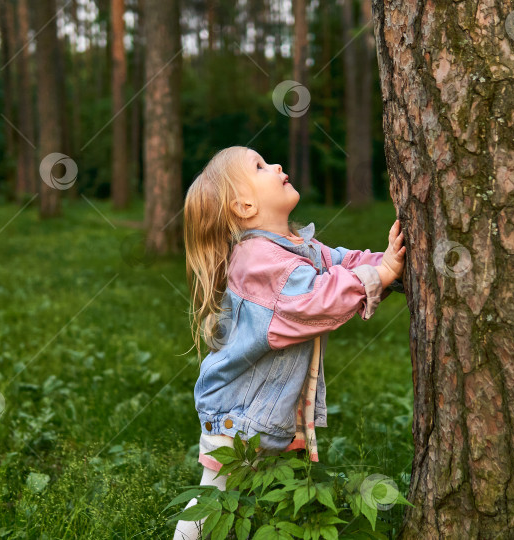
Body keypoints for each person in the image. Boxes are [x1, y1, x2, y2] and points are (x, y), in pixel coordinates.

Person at [172, 146, 406, 539]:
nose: (277, 165)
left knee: (260, 498)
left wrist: (390, 264)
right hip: (239, 415)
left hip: (267, 409)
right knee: (215, 499)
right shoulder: (257, 260)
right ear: (244, 205)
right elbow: (314, 300)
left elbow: (341, 263)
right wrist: (379, 275)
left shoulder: (294, 245)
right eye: (260, 166)